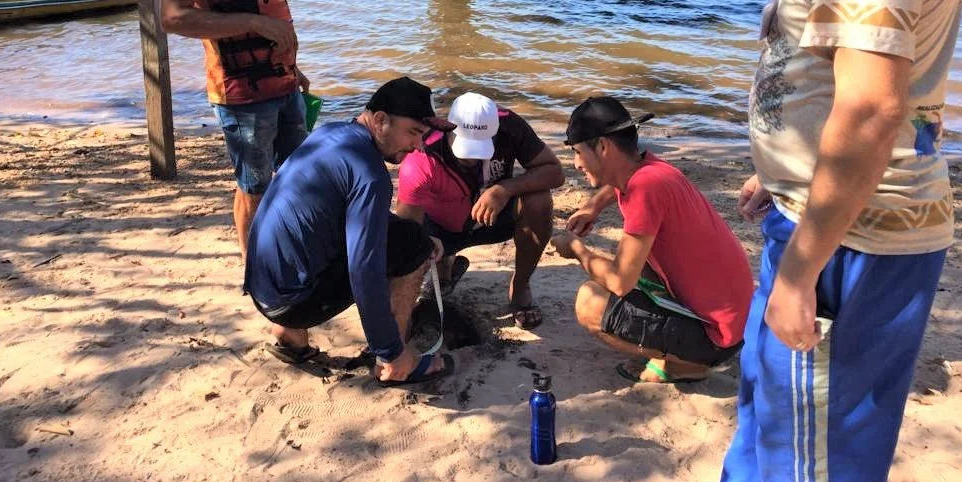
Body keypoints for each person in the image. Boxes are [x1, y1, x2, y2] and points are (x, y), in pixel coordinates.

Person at [648, 0, 962, 482]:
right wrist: (787, 164)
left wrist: (799, 272)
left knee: (818, 460)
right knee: (768, 396)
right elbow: (856, 85)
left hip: (849, 240)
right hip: (827, 212)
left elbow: (872, 108)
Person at [244, 76, 458, 386]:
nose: (417, 146)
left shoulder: (332, 134)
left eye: (422, 136)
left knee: (408, 236)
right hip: (293, 303)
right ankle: (393, 364)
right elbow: (364, 270)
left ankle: (290, 337)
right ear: (381, 120)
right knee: (413, 247)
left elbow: (352, 214)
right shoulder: (371, 174)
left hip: (263, 289)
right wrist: (390, 350)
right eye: (413, 133)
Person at [161, 0, 310, 261]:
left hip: (282, 80)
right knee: (254, 184)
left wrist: (291, 65)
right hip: (241, 91)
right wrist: (252, 23)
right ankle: (253, 264)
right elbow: (172, 16)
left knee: (298, 174)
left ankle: (285, 248)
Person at [551, 97, 753, 384]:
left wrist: (577, 251)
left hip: (717, 337)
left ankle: (686, 365)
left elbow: (621, 281)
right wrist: (593, 207)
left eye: (578, 152)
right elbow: (616, 186)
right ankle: (679, 348)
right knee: (638, 263)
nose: (576, 163)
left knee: (590, 301)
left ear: (603, 146)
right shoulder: (651, 169)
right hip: (733, 322)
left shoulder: (644, 191)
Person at [396, 92, 564, 329]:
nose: (473, 158)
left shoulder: (510, 126)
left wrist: (504, 189)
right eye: (467, 149)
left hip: (491, 218)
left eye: (481, 147)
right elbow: (404, 229)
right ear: (446, 128)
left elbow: (555, 172)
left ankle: (521, 285)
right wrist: (424, 243)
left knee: (539, 200)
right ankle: (443, 265)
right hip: (439, 230)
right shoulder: (423, 154)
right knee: (415, 261)